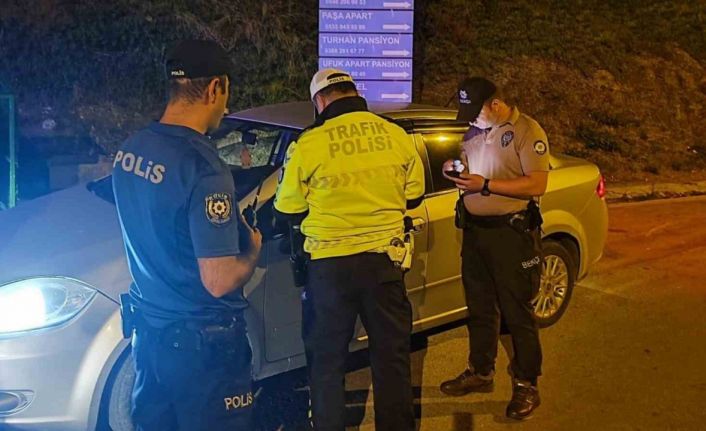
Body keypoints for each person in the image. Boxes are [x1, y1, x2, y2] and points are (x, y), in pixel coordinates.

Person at [112, 39, 262, 430]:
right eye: (225, 94)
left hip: (149, 340)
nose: (225, 107)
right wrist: (251, 251)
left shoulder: (131, 150)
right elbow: (218, 280)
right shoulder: (203, 168)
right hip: (203, 356)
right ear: (214, 88)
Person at [273, 69, 425, 431]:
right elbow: (414, 195)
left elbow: (287, 207)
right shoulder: (395, 134)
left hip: (330, 269)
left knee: (327, 363)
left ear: (320, 100)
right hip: (384, 264)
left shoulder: (309, 143)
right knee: (391, 358)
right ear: (353, 92)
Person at [438, 77, 549, 420]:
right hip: (476, 233)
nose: (471, 120)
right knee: (480, 307)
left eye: (476, 112)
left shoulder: (527, 131)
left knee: (517, 313)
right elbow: (466, 167)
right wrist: (453, 170)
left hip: (511, 234)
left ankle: (527, 384)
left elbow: (537, 183)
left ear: (496, 105)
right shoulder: (473, 133)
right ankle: (480, 371)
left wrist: (485, 185)